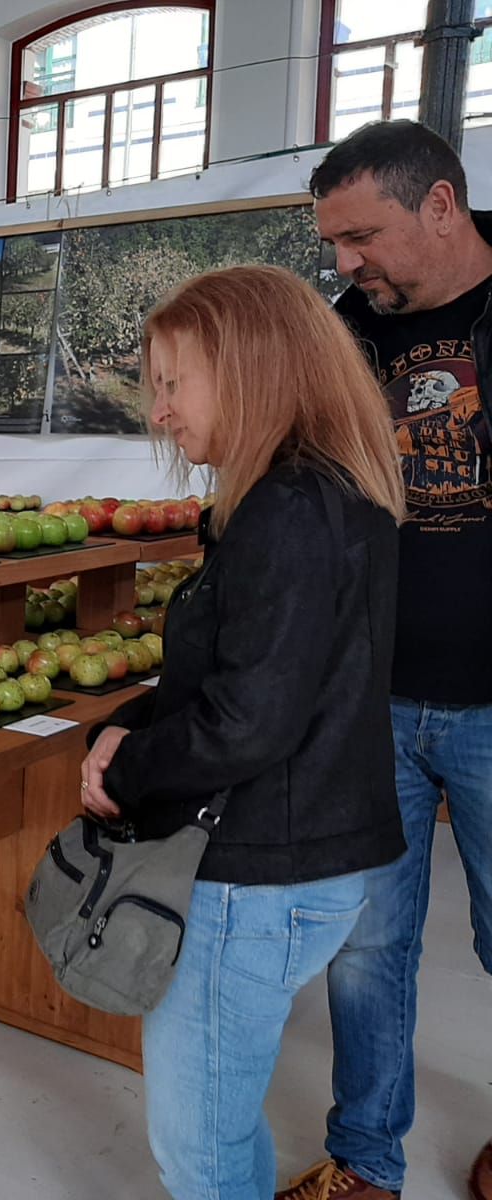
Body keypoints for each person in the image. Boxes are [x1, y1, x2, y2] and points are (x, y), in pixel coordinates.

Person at [78, 265, 407, 1200]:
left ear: (252, 367)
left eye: (173, 384)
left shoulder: (287, 511)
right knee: (223, 1116)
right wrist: (126, 723)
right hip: (316, 853)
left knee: (201, 1147)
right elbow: (269, 675)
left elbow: (248, 719)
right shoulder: (328, 492)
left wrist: (127, 767)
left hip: (261, 870)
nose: (161, 414)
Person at [273, 120, 492, 1200]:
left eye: (362, 236)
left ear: (440, 206)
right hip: (367, 699)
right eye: (334, 243)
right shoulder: (337, 334)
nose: (345, 262)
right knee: (365, 950)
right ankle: (364, 1162)